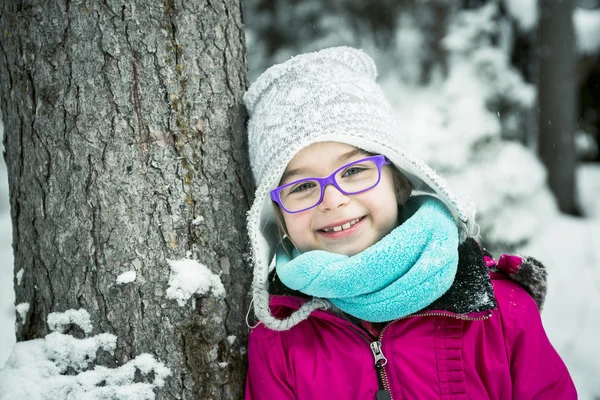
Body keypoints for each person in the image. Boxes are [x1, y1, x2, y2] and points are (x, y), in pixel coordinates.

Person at [243, 46, 576, 399]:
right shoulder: (278, 340)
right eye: (303, 186)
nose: (333, 199)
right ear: (278, 214)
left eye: (354, 170)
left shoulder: (501, 309)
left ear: (398, 178)